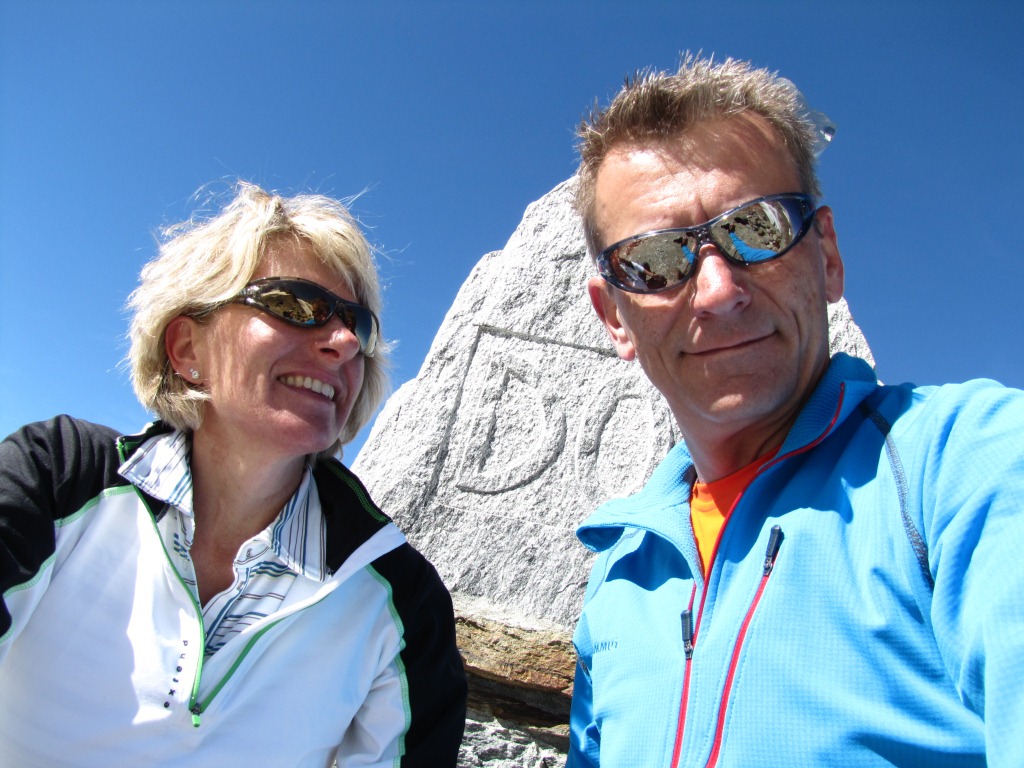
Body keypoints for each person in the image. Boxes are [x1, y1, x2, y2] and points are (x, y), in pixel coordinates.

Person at [567, 55, 1024, 767]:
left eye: (758, 227)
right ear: (614, 317)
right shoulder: (620, 574)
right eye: (654, 260)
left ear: (828, 255)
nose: (718, 291)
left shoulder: (970, 463)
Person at [0, 183, 467, 766]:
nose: (346, 342)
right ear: (187, 348)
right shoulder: (57, 477)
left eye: (360, 326)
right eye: (295, 305)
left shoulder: (402, 598)